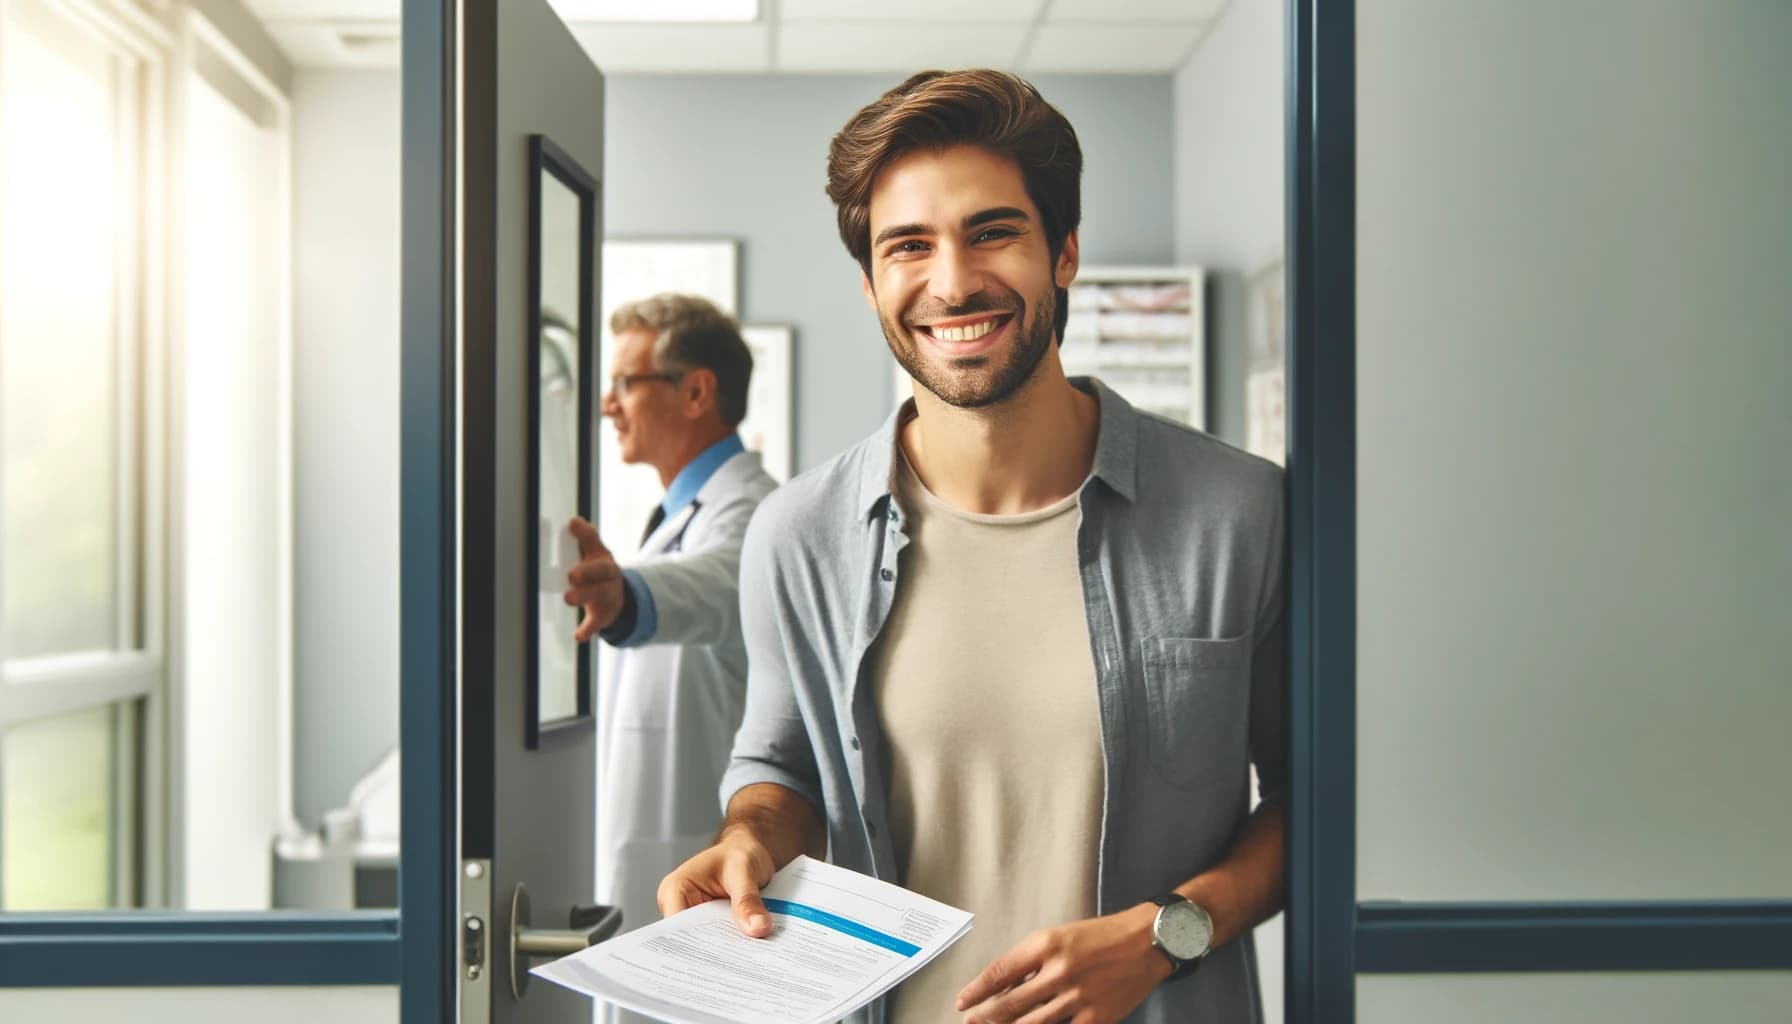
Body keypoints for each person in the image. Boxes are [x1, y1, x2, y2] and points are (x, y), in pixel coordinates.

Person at [657, 70, 1289, 1024]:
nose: (952, 281)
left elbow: (1311, 801)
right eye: (909, 246)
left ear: (1065, 251)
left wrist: (1167, 936)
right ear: (871, 286)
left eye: (992, 231)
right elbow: (780, 768)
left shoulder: (1239, 512)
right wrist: (747, 837)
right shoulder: (798, 533)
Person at [562, 293, 778, 967]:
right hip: (667, 857)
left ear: (696, 391)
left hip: (714, 870)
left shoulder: (755, 515)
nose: (608, 403)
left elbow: (716, 586)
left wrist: (626, 595)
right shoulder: (680, 517)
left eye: (626, 381)